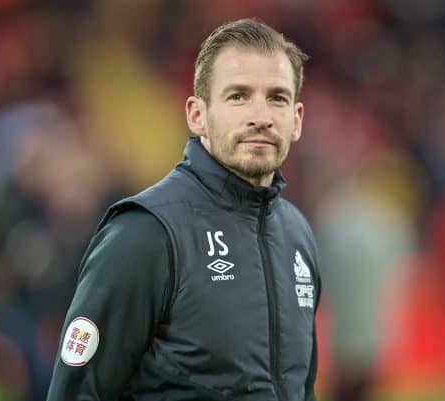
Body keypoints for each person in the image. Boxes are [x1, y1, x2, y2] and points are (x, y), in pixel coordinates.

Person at [46, 18, 321, 401]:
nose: (261, 116)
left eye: (277, 97)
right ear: (197, 115)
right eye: (238, 96)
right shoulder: (146, 234)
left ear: (297, 120)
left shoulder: (298, 237)